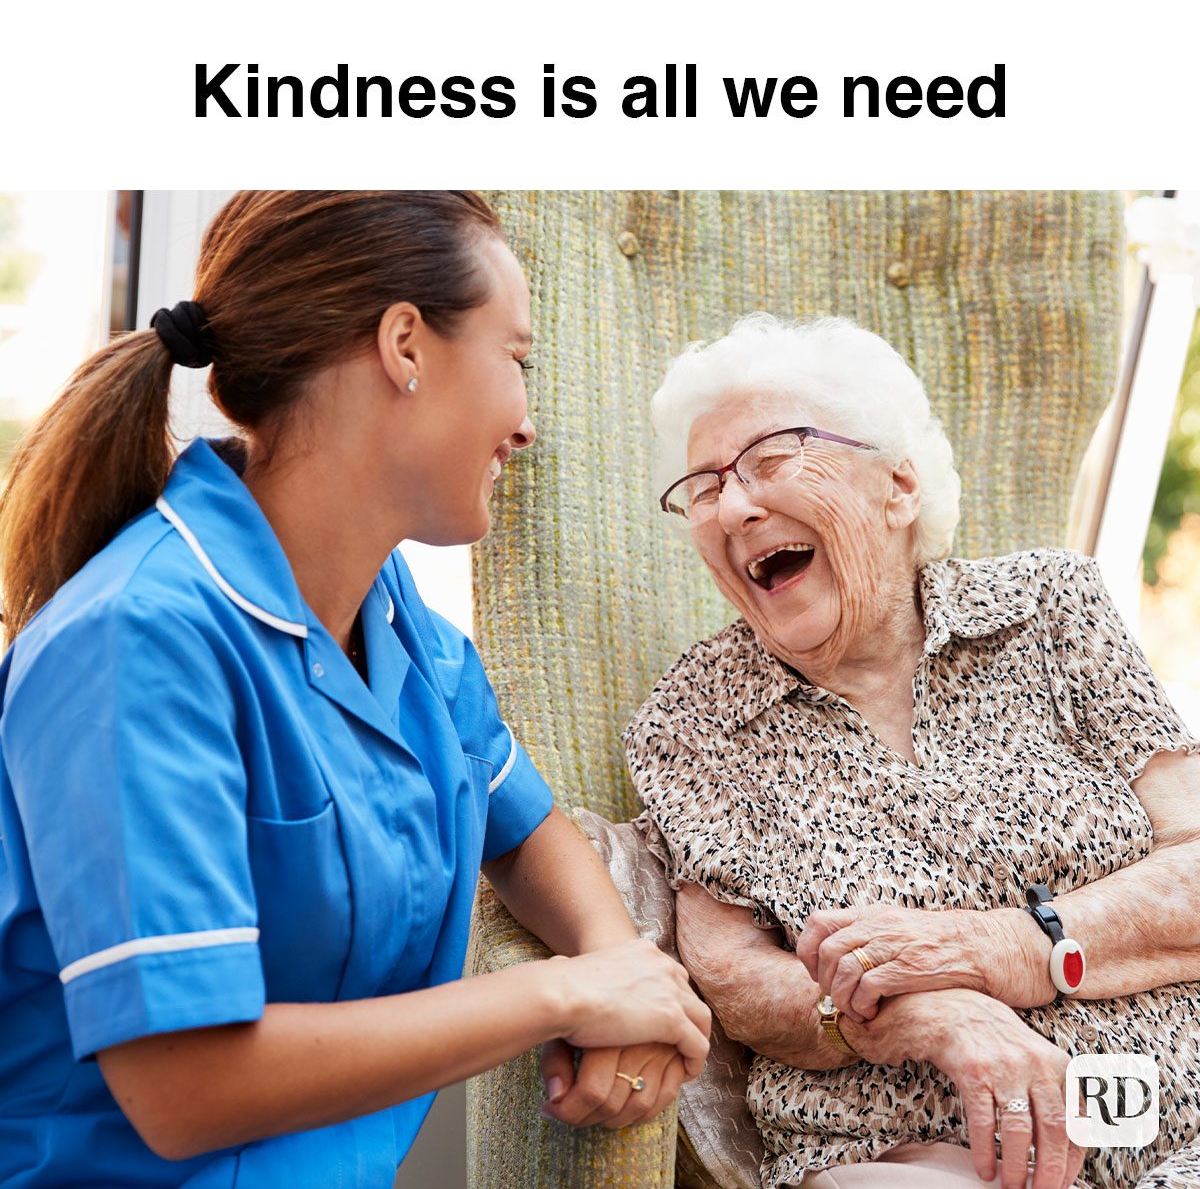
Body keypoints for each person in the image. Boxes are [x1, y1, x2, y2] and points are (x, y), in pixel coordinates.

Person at [0, 191, 710, 1188]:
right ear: (406, 347)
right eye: (518, 360)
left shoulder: (395, 623)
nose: (527, 425)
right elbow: (183, 1087)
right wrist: (568, 996)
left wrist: (619, 961)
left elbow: (525, 825)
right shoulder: (137, 640)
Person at [624, 314, 1200, 1189]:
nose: (734, 505)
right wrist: (934, 1016)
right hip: (918, 1149)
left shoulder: (1049, 607)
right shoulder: (694, 716)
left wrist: (1003, 948)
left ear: (898, 486)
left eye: (772, 459)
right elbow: (736, 982)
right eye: (703, 489)